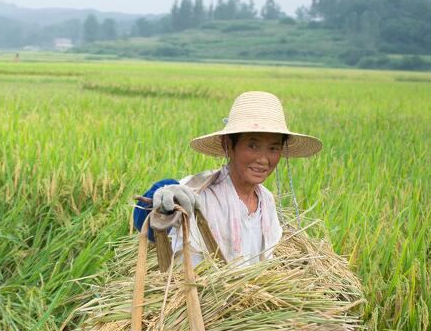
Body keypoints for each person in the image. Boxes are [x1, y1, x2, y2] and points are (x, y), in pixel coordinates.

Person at [133, 91, 322, 268]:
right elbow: (149, 225)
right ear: (228, 145)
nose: (263, 159)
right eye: (253, 146)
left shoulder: (266, 201)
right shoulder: (201, 192)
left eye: (273, 148)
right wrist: (162, 197)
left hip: (249, 298)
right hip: (201, 298)